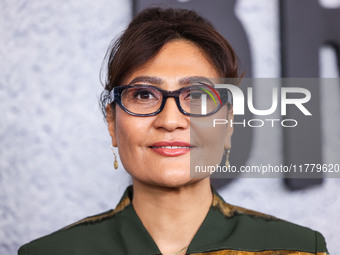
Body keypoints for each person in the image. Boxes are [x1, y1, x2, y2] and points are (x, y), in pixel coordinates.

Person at [18, 7, 328, 255]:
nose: (170, 120)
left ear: (228, 123)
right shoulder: (51, 252)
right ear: (112, 123)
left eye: (195, 96)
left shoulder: (297, 249)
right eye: (143, 95)